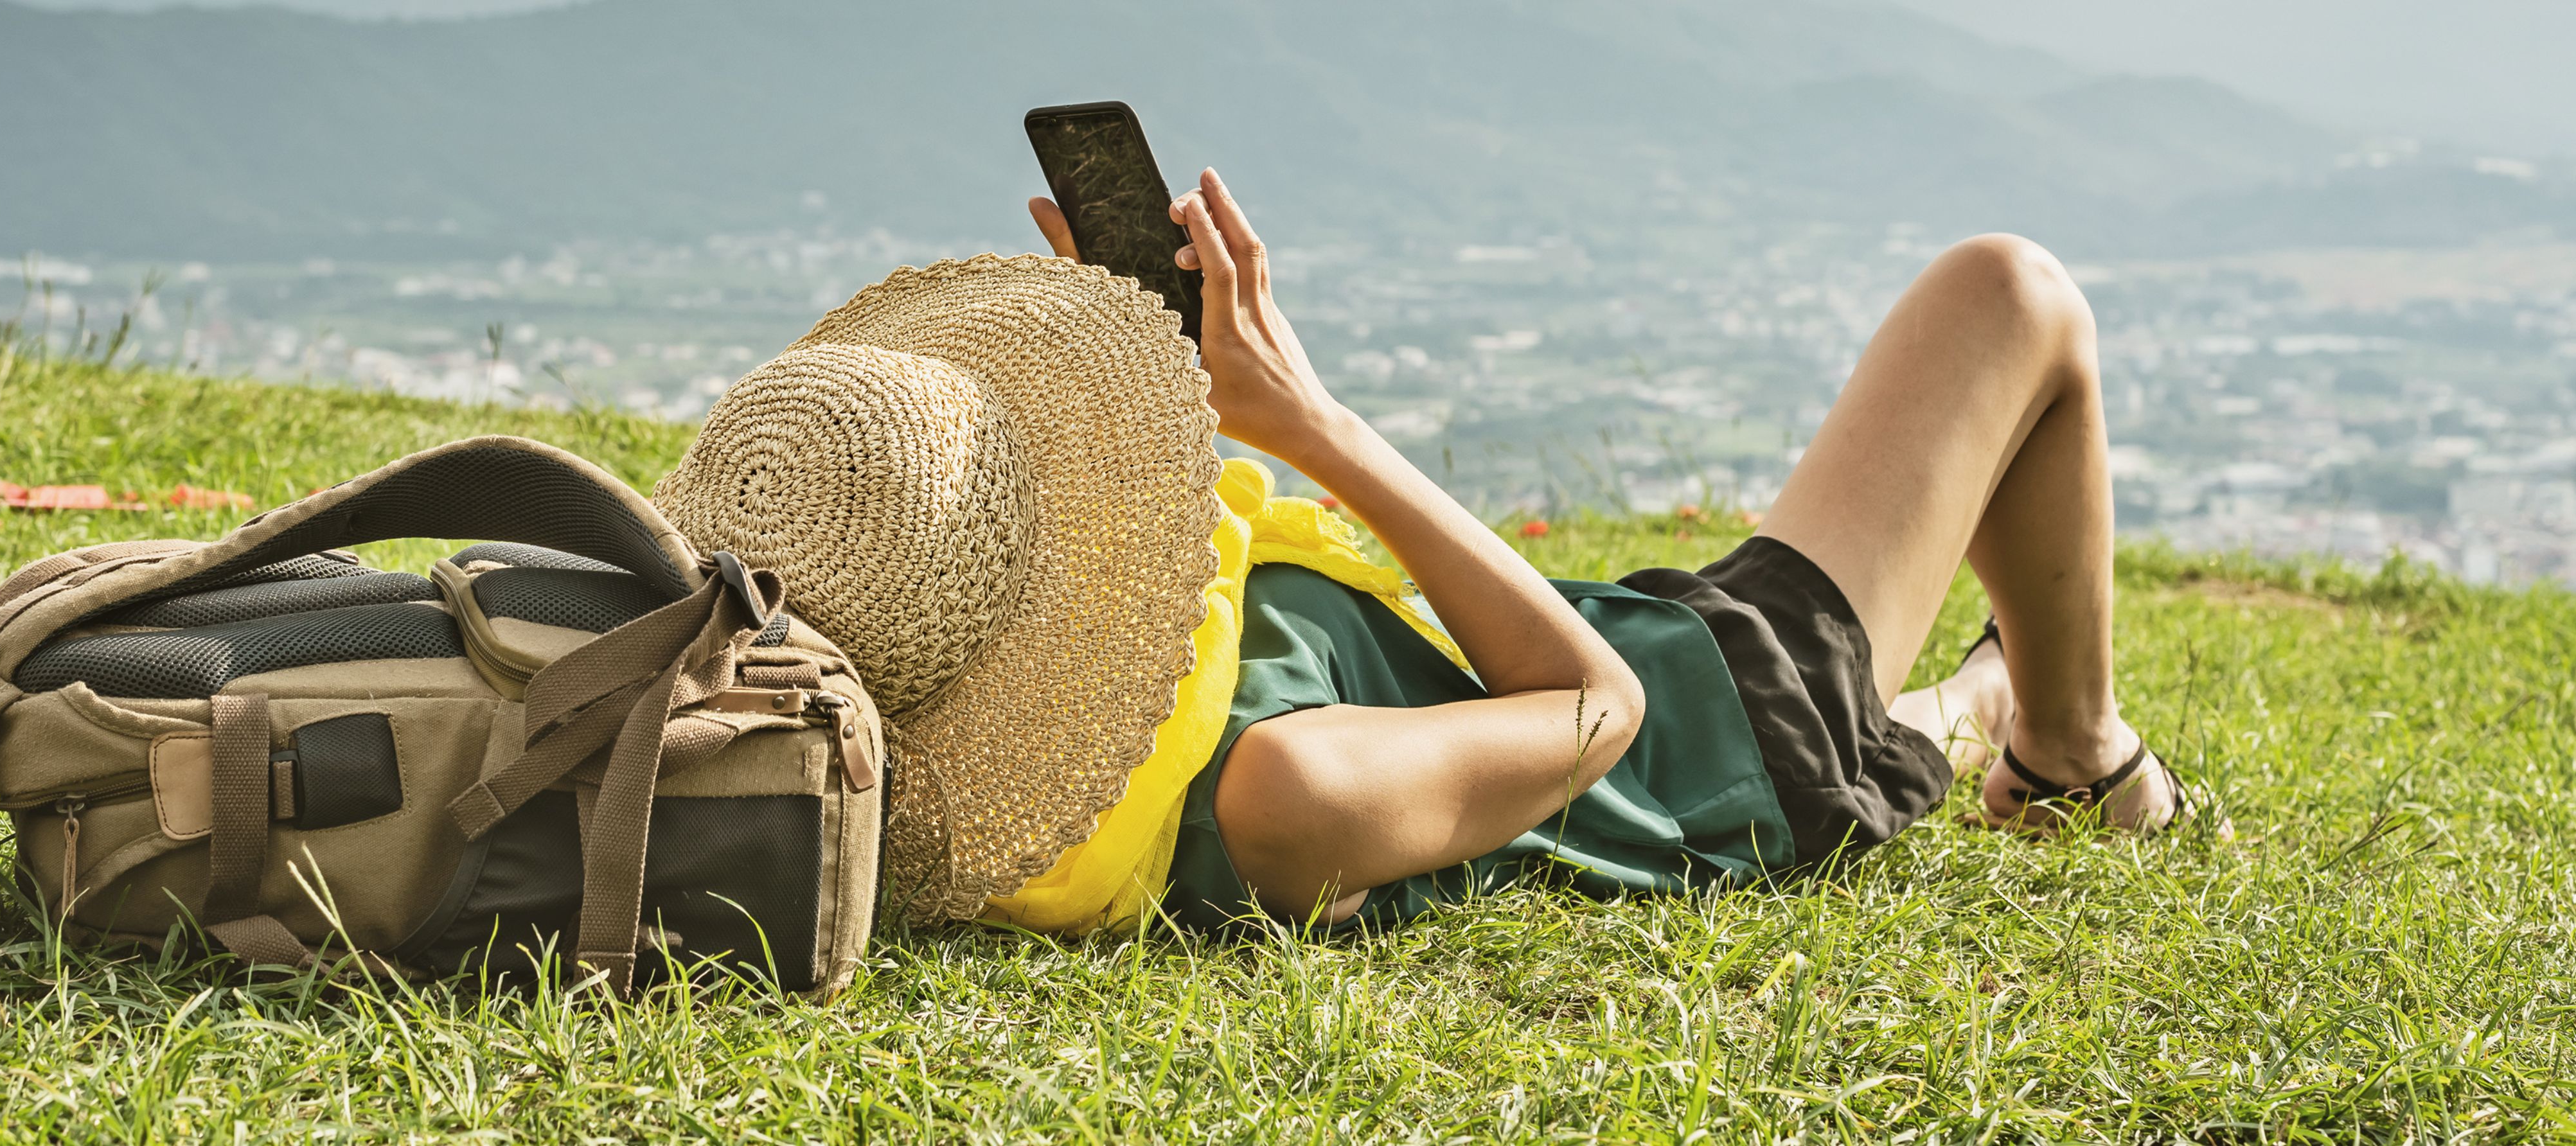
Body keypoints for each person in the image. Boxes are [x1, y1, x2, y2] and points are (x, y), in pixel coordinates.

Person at [654, 171, 2185, 939]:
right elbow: (1601, 714)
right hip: (1726, 741)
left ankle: (1977, 714)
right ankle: (2064, 744)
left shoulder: (1040, 706)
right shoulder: (1280, 790)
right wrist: (1313, 419)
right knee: (2013, 293)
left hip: (1641, 639)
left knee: (1989, 349)